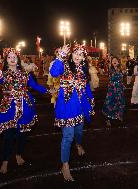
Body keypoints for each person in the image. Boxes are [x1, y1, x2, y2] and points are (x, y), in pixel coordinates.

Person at [0, 48, 50, 174]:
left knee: (22, 134)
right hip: (8, 108)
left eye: (14, 57)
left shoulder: (25, 74)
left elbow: (35, 86)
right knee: (8, 136)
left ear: (18, 60)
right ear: (6, 60)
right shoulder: (3, 73)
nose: (12, 59)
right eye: (9, 57)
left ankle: (18, 154)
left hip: (24, 107)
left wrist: (49, 91)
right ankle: (5, 161)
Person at [50, 44, 95, 182]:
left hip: (80, 107)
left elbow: (86, 87)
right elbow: (54, 73)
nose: (78, 56)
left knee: (79, 132)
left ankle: (78, 144)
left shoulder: (83, 70)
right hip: (66, 107)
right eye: (76, 53)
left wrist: (91, 101)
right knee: (68, 136)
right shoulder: (64, 65)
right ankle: (65, 165)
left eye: (81, 55)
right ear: (71, 54)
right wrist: (61, 55)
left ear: (84, 58)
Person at [102, 56, 125, 127]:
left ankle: (119, 115)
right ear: (111, 63)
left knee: (120, 102)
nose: (114, 61)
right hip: (112, 90)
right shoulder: (110, 69)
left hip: (119, 89)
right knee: (110, 103)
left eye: (116, 60)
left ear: (118, 62)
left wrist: (122, 84)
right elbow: (111, 78)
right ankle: (108, 119)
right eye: (113, 61)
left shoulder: (120, 69)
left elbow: (121, 78)